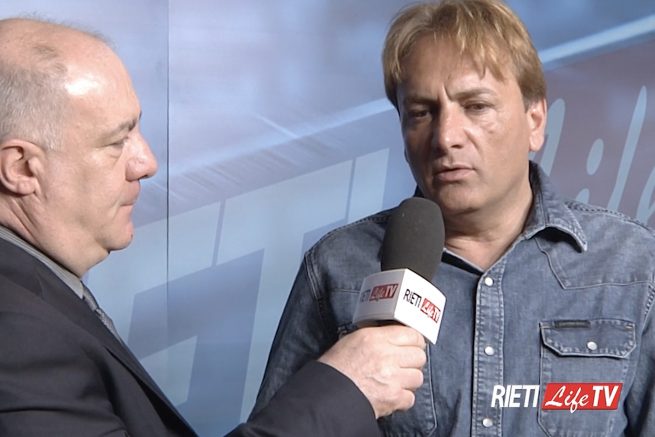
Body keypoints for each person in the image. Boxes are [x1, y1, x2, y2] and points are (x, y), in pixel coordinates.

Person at [0, 18, 427, 437]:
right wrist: (347, 389)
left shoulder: (37, 299)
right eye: (116, 141)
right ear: (21, 168)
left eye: (137, 129)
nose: (147, 163)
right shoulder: (18, 334)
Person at [251, 0, 655, 435]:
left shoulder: (633, 266)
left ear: (535, 120)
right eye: (421, 113)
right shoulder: (337, 267)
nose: (445, 137)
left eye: (476, 106)